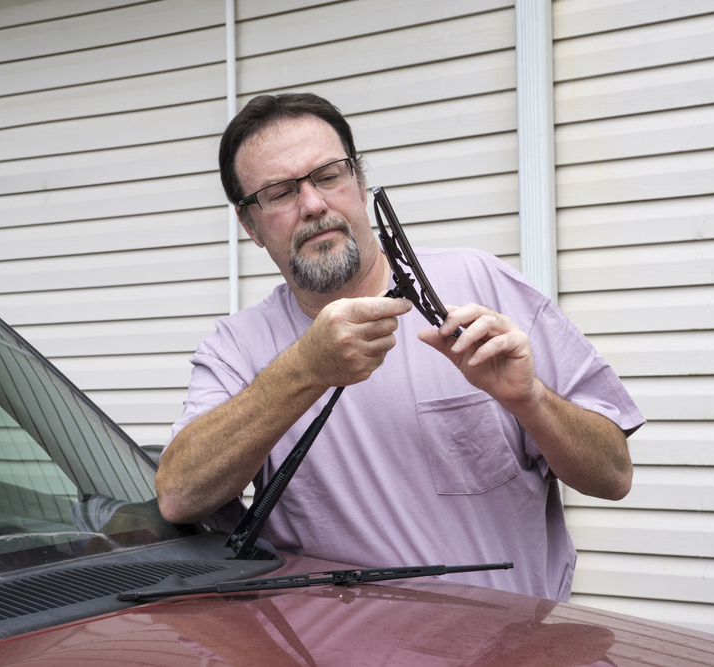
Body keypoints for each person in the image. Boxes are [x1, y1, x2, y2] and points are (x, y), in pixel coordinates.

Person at [156, 93, 644, 600]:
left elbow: (613, 476)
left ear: (360, 182)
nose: (314, 204)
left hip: (512, 647)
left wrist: (531, 400)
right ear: (249, 225)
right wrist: (305, 368)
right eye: (279, 192)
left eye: (328, 175)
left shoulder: (480, 284)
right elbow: (179, 496)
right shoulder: (237, 348)